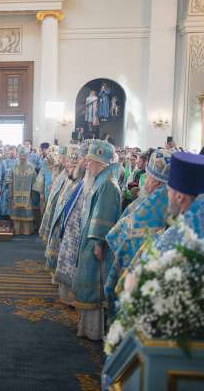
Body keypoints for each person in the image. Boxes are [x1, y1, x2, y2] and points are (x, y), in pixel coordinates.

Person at [104, 149, 172, 303]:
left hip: (134, 275)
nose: (145, 180)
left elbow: (117, 236)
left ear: (156, 182)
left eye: (148, 176)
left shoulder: (146, 205)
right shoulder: (171, 201)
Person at [73, 140, 121, 340]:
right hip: (90, 240)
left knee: (94, 284)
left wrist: (98, 243)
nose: (88, 165)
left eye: (91, 162)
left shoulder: (108, 184)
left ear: (101, 163)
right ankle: (87, 327)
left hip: (95, 243)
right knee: (87, 280)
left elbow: (105, 216)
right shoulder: (100, 179)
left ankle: (94, 331)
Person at [52, 146, 88, 305]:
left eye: (81, 160)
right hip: (69, 232)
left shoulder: (87, 184)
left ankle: (73, 298)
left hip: (77, 234)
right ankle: (66, 296)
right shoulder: (77, 182)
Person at [6, 146, 37, 235]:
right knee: (16, 212)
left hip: (28, 195)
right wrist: (10, 191)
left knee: (27, 213)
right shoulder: (14, 166)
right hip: (15, 193)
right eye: (21, 156)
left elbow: (34, 182)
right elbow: (9, 178)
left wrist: (34, 194)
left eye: (24, 156)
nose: (22, 158)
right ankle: (17, 230)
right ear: (18, 156)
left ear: (27, 156)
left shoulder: (31, 167)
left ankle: (27, 231)